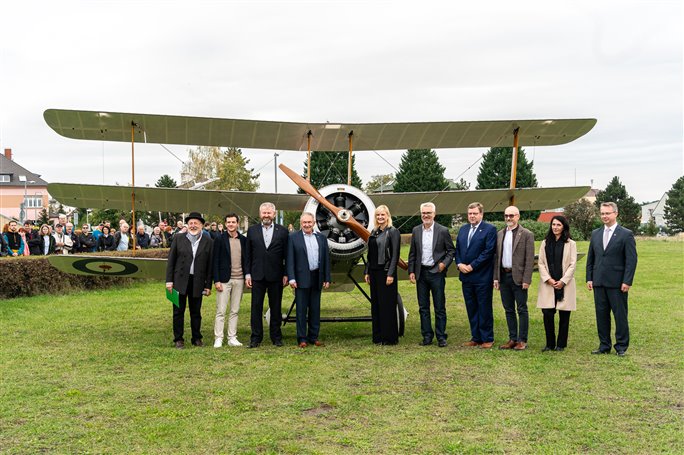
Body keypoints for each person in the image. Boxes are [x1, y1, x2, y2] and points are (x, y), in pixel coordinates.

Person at [586, 202, 637, 356]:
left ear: (616, 214)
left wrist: (627, 281)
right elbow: (591, 258)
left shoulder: (626, 234)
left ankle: (621, 346)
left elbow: (631, 260)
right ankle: (604, 345)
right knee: (601, 315)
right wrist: (589, 278)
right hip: (599, 282)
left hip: (617, 283)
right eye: (602, 213)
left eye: (607, 213)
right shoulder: (595, 233)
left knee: (620, 315)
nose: (604, 216)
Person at [408, 202, 455, 347]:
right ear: (420, 214)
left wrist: (443, 264)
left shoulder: (442, 230)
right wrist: (411, 271)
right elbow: (412, 253)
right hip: (421, 272)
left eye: (429, 213)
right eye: (423, 213)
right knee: (423, 307)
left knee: (439, 306)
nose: (426, 215)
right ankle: (427, 336)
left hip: (436, 273)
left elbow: (451, 251)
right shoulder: (416, 230)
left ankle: (441, 336)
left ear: (434, 214)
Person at [165, 212, 214, 349]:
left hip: (197, 281)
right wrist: (169, 281)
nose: (193, 226)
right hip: (179, 281)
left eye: (196, 223)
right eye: (191, 223)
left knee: (196, 312)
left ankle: (196, 338)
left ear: (202, 225)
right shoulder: (178, 238)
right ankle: (178, 339)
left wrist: (208, 285)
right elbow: (171, 261)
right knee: (178, 312)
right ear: (187, 225)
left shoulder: (208, 242)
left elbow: (210, 266)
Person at [245, 202, 289, 348]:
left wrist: (286, 274)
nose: (266, 215)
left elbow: (287, 255)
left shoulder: (282, 231)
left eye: (269, 213)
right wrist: (247, 274)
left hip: (276, 276)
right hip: (257, 275)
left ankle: (276, 337)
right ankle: (255, 338)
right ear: (260, 214)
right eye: (264, 213)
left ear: (274, 214)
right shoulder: (252, 231)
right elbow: (247, 255)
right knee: (256, 307)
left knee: (276, 307)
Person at [455, 202, 497, 349]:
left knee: (484, 308)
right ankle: (476, 337)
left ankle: (487, 338)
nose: (472, 216)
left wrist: (472, 266)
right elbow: (458, 250)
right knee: (471, 307)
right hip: (466, 277)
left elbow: (488, 252)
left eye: (475, 213)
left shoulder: (489, 229)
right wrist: (459, 264)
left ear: (481, 214)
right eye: (470, 213)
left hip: (482, 276)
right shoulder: (463, 229)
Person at [493, 206, 535, 351]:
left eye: (511, 215)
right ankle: (512, 338)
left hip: (519, 277)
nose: (508, 218)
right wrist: (496, 278)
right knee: (508, 309)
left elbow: (530, 260)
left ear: (518, 216)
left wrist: (527, 279)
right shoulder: (500, 234)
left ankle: (522, 340)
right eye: (506, 216)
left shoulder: (526, 234)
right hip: (504, 276)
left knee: (522, 308)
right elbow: (497, 257)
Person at [287, 212, 331, 348]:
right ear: (301, 223)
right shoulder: (293, 238)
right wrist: (291, 278)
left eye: (309, 222)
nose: (307, 225)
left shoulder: (322, 238)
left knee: (315, 309)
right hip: (301, 278)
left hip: (317, 277)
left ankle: (314, 337)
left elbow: (326, 260)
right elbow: (290, 260)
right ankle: (302, 338)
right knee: (301, 310)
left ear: (314, 223)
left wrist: (326, 278)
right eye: (304, 222)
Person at [537, 216, 577, 352]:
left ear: (564, 227)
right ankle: (549, 343)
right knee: (547, 313)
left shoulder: (571, 244)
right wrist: (548, 279)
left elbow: (572, 264)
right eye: (553, 224)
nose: (555, 227)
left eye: (558, 225)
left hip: (565, 283)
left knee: (564, 315)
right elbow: (541, 262)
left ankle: (561, 344)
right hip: (548, 283)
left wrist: (563, 281)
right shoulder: (545, 243)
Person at [364, 205, 401, 345]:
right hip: (374, 272)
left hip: (386, 272)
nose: (380, 217)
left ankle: (389, 338)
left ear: (388, 216)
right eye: (378, 215)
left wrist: (391, 273)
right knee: (376, 305)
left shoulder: (393, 232)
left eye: (383, 215)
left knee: (387, 305)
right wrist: (367, 271)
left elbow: (395, 255)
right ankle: (378, 337)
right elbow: (370, 254)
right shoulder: (374, 232)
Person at [212, 213, 248, 348]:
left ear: (237, 223)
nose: (231, 224)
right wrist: (216, 280)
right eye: (228, 222)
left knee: (235, 310)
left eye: (233, 222)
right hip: (224, 280)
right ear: (226, 224)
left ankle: (232, 337)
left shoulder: (243, 240)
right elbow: (215, 261)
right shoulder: (219, 239)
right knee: (221, 310)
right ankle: (218, 338)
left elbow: (247, 260)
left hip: (239, 279)